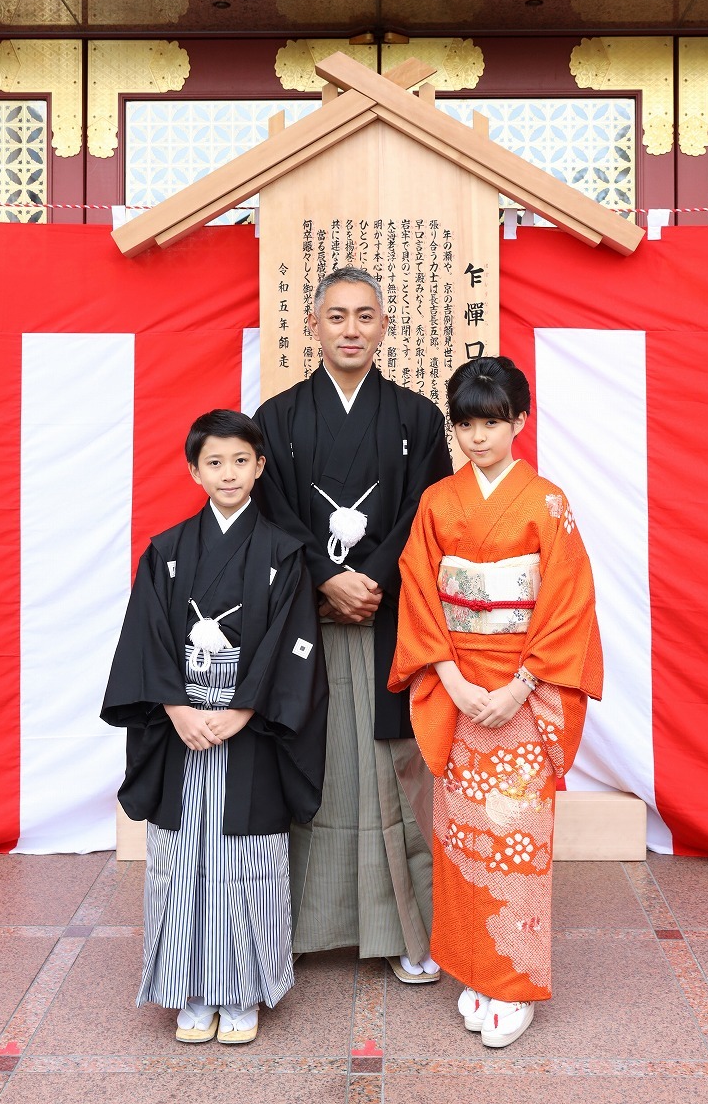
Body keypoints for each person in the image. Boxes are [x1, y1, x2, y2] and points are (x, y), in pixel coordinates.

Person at [389, 355, 603, 1046]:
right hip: (459, 690)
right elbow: (421, 593)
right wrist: (450, 679)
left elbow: (567, 603)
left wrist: (519, 684)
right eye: (466, 424)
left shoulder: (548, 503)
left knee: (513, 840)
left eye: (491, 422)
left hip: (522, 692)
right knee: (462, 838)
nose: (478, 437)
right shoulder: (438, 502)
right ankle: (475, 970)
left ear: (519, 421)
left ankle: (514, 981)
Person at [101, 409, 328, 1045]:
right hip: (181, 726)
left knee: (247, 858)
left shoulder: (285, 554)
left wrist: (242, 709)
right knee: (183, 856)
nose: (228, 474)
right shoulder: (167, 552)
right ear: (194, 470)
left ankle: (243, 992)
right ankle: (185, 994)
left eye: (240, 461)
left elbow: (293, 641)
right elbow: (145, 637)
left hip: (248, 728)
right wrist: (175, 708)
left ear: (260, 466)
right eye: (214, 462)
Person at [253, 265, 452, 982]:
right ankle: (299, 928)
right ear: (313, 325)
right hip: (309, 622)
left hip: (387, 617)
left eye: (365, 316)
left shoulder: (416, 417)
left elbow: (427, 512)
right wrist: (324, 576)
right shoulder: (276, 418)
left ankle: (405, 927)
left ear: (385, 327)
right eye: (336, 317)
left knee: (390, 775)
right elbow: (268, 509)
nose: (351, 329)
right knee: (313, 767)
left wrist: (371, 576)